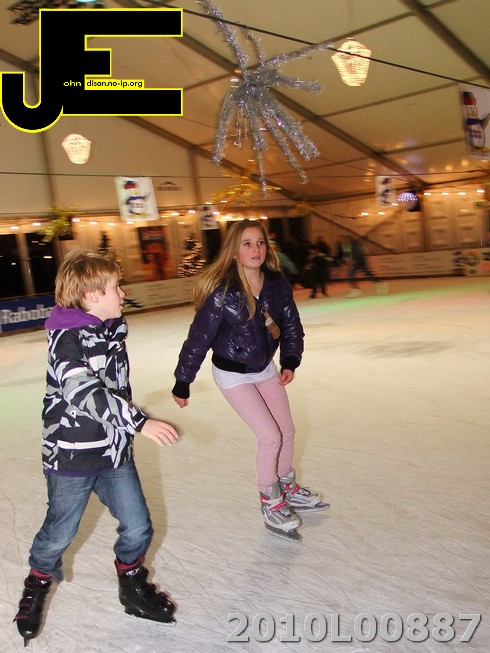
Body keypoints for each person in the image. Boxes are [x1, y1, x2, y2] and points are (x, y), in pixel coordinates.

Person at [13, 250, 178, 647]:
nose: (123, 293)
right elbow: (82, 390)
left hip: (114, 452)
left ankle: (132, 586)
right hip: (72, 454)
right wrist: (140, 421)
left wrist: (126, 429)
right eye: (115, 287)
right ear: (90, 295)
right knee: (59, 533)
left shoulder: (110, 330)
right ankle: (36, 585)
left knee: (138, 525)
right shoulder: (66, 339)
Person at [171, 220, 329, 543]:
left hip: (265, 368)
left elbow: (291, 323)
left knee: (287, 430)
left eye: (260, 243)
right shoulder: (222, 292)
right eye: (247, 244)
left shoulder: (276, 283)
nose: (256, 249)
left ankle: (287, 485)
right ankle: (270, 501)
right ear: (233, 251)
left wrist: (290, 359)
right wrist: (183, 380)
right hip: (232, 373)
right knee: (270, 436)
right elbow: (199, 338)